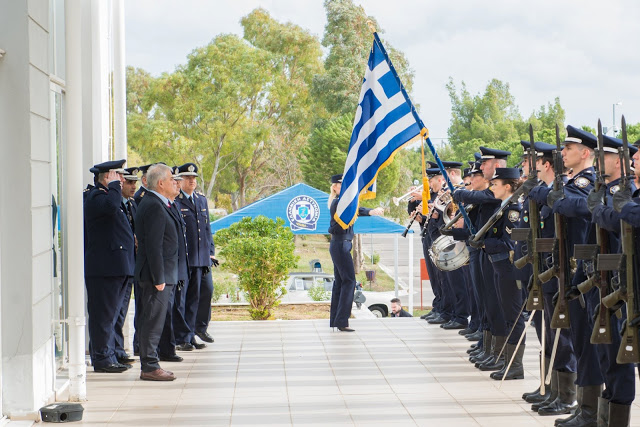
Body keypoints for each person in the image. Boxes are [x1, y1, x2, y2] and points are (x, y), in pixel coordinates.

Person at [83, 159, 135, 373]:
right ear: (106, 177)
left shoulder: (109, 196)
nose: (122, 180)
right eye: (118, 176)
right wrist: (114, 187)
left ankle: (110, 353)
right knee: (103, 316)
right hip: (105, 269)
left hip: (116, 267)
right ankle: (103, 359)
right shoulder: (97, 197)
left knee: (112, 316)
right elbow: (112, 207)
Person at [134, 164, 182, 381]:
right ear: (160, 183)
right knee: (152, 321)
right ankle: (150, 366)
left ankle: (151, 364)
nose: (176, 182)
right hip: (156, 276)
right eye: (172, 179)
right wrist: (159, 278)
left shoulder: (160, 203)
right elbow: (154, 246)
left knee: (154, 320)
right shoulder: (154, 205)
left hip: (162, 274)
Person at [328, 174, 383, 332]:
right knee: (349, 282)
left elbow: (356, 209)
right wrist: (370, 211)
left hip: (340, 244)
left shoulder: (340, 202)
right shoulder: (338, 203)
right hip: (341, 244)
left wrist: (371, 211)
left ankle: (337, 320)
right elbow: (354, 209)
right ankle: (342, 320)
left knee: (340, 282)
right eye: (342, 185)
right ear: (336, 187)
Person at [173, 163, 217, 348]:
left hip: (202, 257)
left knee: (202, 294)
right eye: (187, 178)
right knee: (184, 300)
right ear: (180, 180)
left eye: (193, 178)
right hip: (185, 258)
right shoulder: (176, 200)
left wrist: (211, 252)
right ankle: (184, 337)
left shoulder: (200, 199)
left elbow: (206, 229)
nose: (191, 181)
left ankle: (196, 330)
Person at [113, 166, 139, 365]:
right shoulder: (116, 205)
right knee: (114, 312)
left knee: (122, 310)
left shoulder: (131, 205)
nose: (133, 186)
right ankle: (114, 350)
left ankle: (119, 350)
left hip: (130, 264)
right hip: (118, 264)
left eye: (134, 183)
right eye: (129, 182)